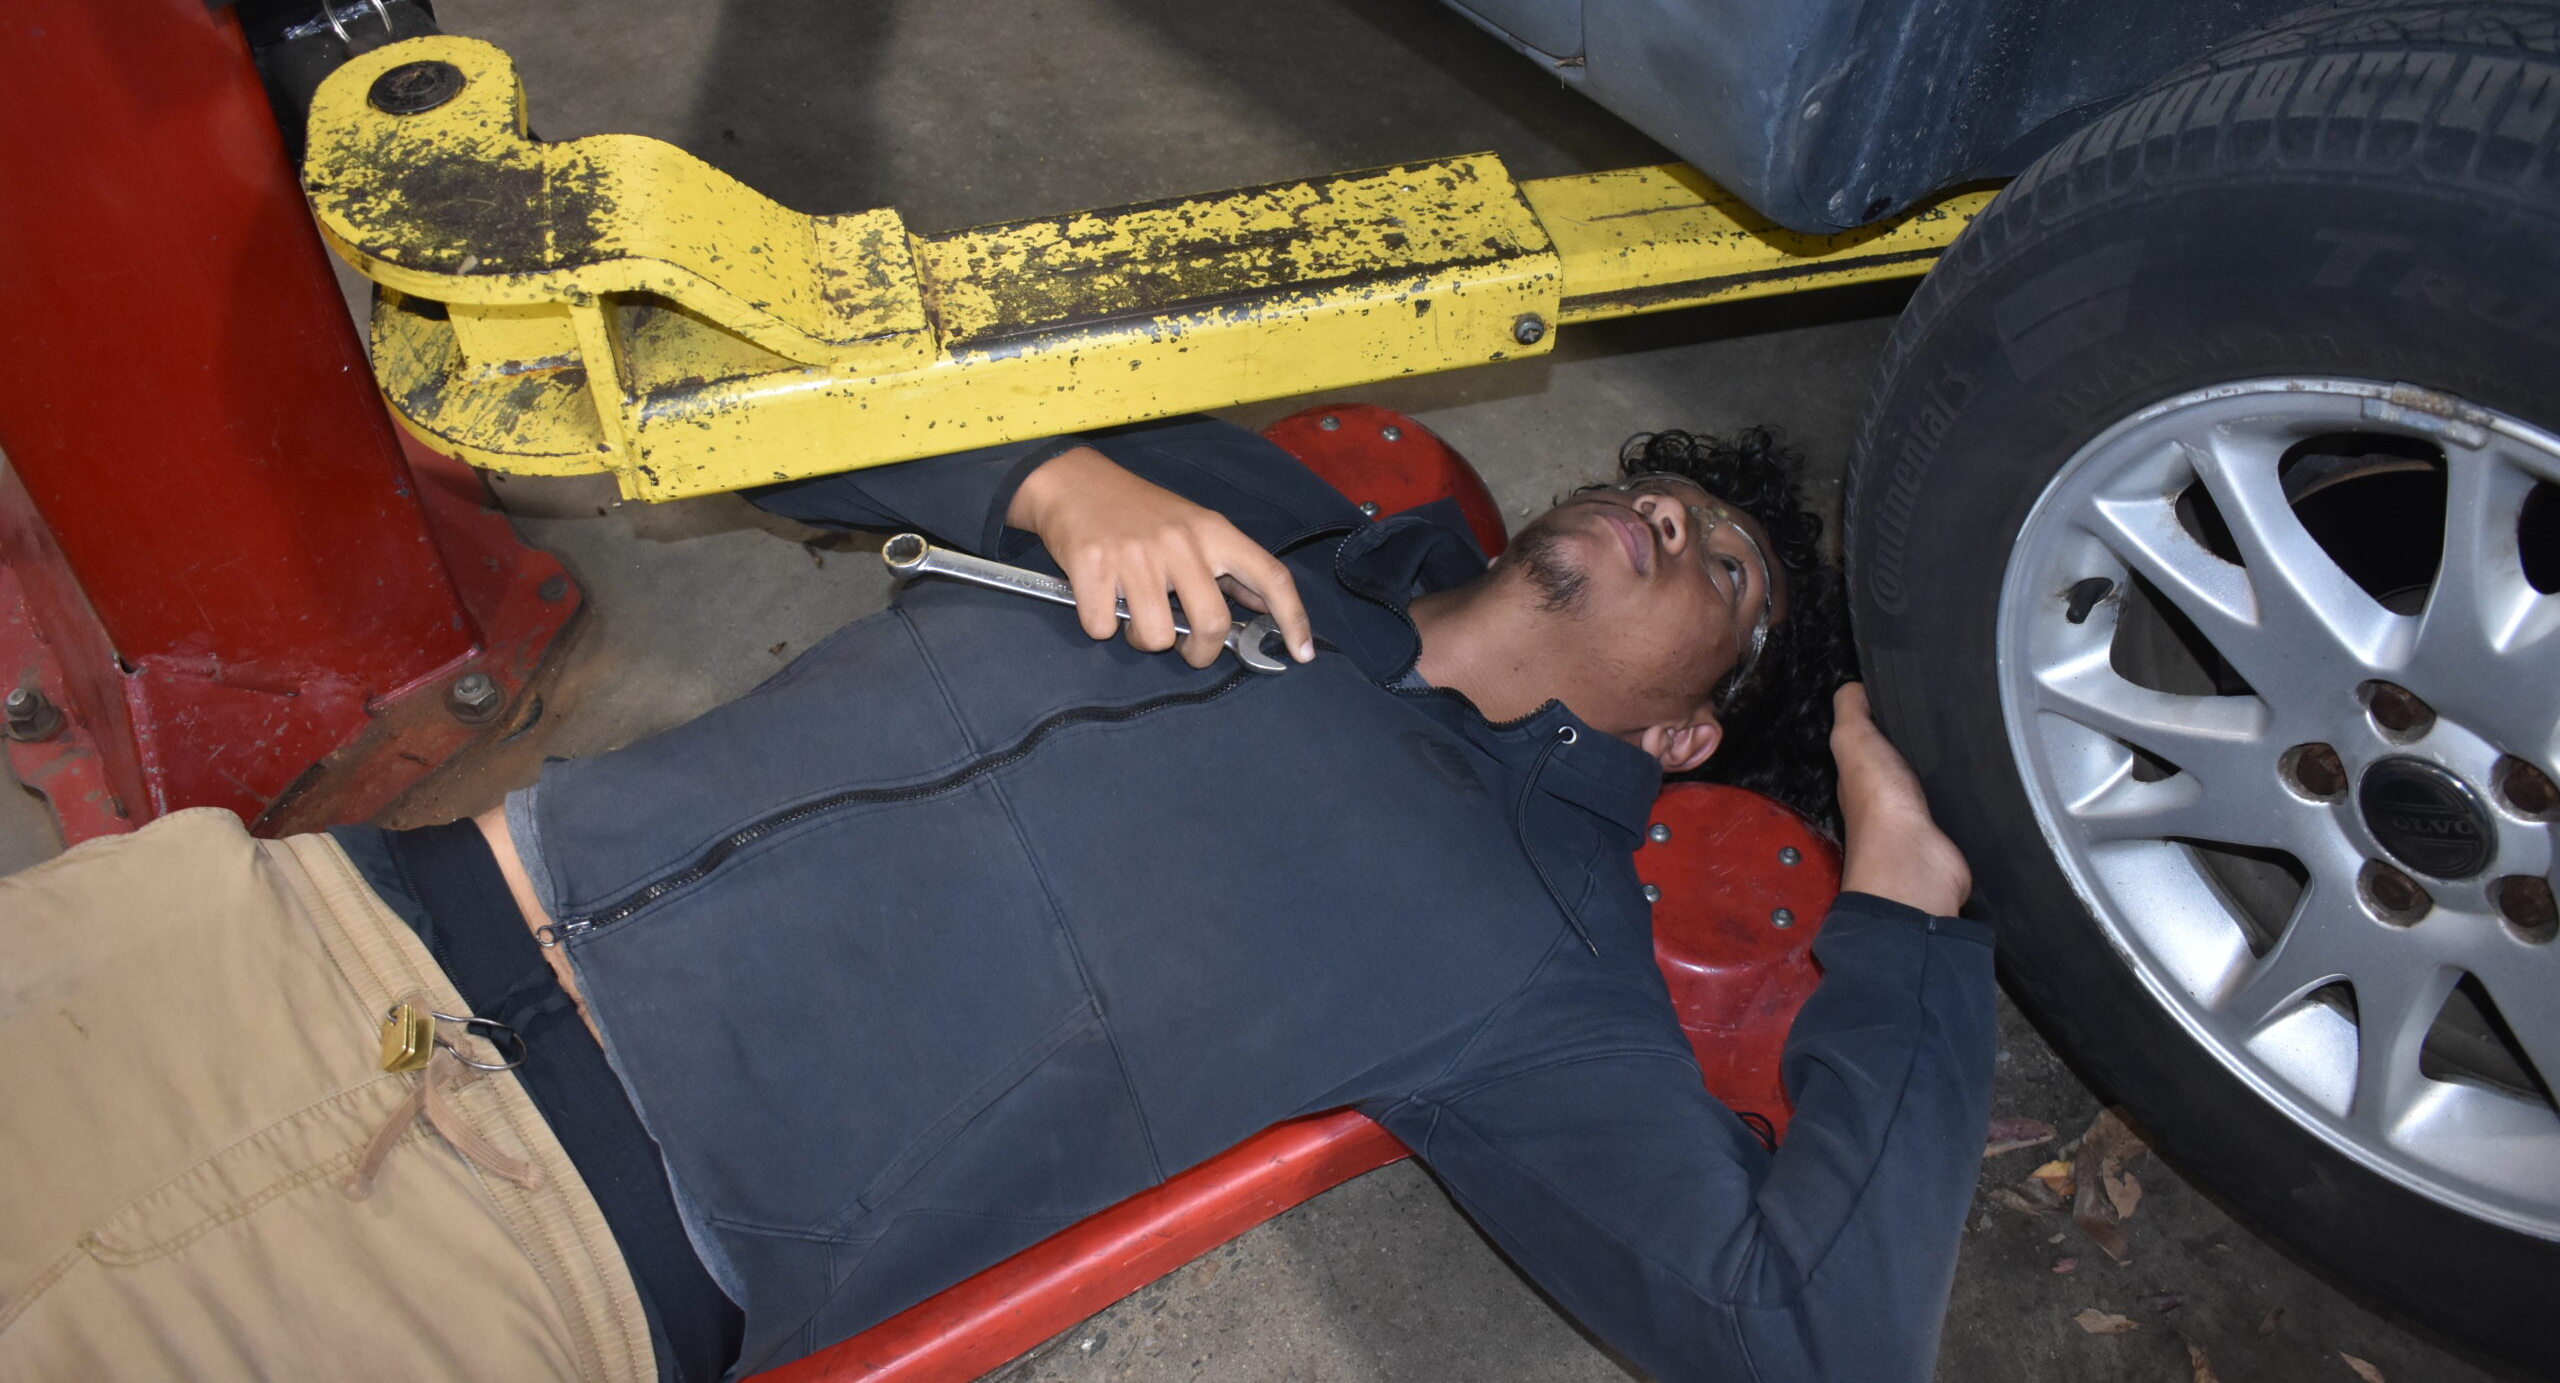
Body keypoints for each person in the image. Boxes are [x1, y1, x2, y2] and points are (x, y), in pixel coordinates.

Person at [0, 416, 1990, 1383]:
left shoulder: (1534, 961)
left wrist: (1901, 915)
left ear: (1679, 742)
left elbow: (1803, 1341)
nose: (1671, 516)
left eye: (1716, 567)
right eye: (1667, 487)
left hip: (504, 1257)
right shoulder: (1253, 515)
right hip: (285, 932)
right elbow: (778, 378)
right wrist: (1051, 478)